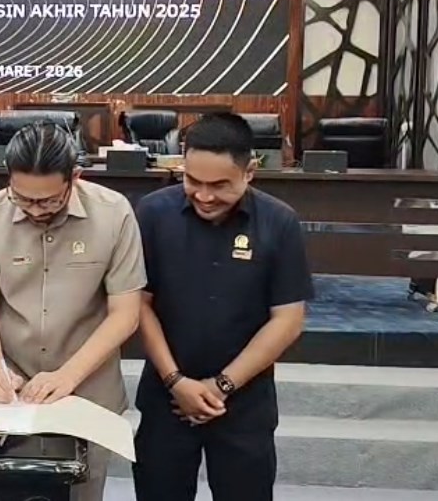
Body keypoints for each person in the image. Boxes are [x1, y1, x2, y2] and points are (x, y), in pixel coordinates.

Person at [0, 122, 145, 501]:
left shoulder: (113, 214)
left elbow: (126, 313)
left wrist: (68, 375)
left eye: (48, 201)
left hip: (88, 386)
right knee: (11, 490)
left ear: (75, 177)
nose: (35, 210)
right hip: (15, 386)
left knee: (81, 491)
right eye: (23, 199)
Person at [132, 112, 314, 501]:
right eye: (192, 181)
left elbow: (288, 319)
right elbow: (140, 305)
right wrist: (175, 381)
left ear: (250, 172)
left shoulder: (279, 222)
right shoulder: (152, 213)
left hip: (244, 402)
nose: (203, 195)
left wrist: (223, 385)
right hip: (166, 398)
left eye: (219, 185)